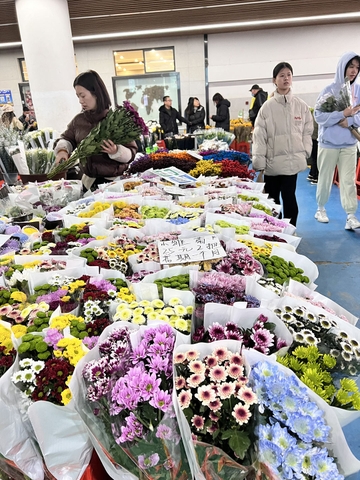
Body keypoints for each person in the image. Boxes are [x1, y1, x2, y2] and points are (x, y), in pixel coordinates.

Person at [54, 70, 137, 190]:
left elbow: (132, 152)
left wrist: (116, 151)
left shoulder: (116, 120)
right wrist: (62, 150)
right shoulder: (78, 120)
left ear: (96, 93)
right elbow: (67, 138)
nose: (80, 101)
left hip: (114, 184)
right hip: (88, 183)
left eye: (83, 96)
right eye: (78, 96)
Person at [252, 62, 313, 227]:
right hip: (272, 164)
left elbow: (308, 130)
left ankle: (291, 231)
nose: (286, 78)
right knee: (273, 199)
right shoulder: (267, 107)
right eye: (281, 75)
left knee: (289, 197)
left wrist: (305, 150)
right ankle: (274, 230)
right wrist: (259, 163)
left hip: (292, 163)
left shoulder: (301, 106)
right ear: (274, 80)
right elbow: (259, 136)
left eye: (289, 75)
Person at [314, 51, 360, 230]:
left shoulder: (358, 91)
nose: (354, 71)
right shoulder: (329, 91)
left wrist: (350, 120)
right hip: (329, 144)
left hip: (349, 144)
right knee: (325, 177)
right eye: (350, 66)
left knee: (348, 180)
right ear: (343, 66)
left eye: (357, 68)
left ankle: (350, 215)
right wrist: (341, 114)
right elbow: (318, 116)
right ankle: (321, 209)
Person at [307, 109, 319, 184]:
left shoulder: (315, 113)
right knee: (317, 158)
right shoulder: (321, 114)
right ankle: (316, 177)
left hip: (312, 138)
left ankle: (312, 174)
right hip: (317, 138)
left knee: (314, 158)